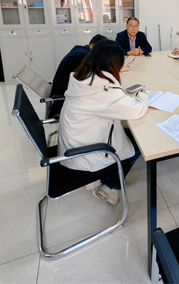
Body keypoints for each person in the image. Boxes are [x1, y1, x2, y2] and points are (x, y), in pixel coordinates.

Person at [57, 39, 148, 205]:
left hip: (73, 144)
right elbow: (136, 110)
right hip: (83, 154)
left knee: (125, 132)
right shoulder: (102, 89)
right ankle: (110, 186)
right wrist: (142, 94)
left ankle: (104, 181)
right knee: (141, 140)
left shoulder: (84, 76)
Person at [49, 34, 108, 118]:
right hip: (65, 97)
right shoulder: (82, 55)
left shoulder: (80, 50)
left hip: (65, 90)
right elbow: (91, 76)